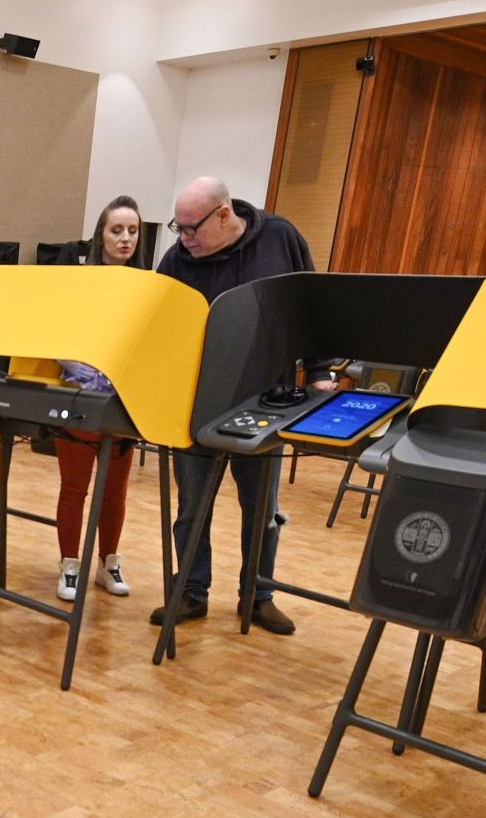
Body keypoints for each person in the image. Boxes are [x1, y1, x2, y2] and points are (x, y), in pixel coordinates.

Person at [150, 176, 314, 635]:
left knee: (262, 509)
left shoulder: (281, 238)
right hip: (199, 403)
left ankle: (257, 596)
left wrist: (320, 371)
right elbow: (156, 325)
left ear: (224, 215)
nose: (184, 239)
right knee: (191, 507)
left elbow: (311, 305)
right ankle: (190, 591)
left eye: (192, 229)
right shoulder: (177, 260)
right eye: (177, 229)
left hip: (266, 401)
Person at [52, 197, 145, 603]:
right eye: (116, 230)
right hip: (79, 398)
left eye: (133, 231)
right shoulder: (78, 282)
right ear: (100, 235)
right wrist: (90, 371)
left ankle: (109, 564)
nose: (125, 238)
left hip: (124, 405)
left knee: (115, 492)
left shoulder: (146, 286)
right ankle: (70, 566)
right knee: (74, 489)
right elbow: (56, 336)